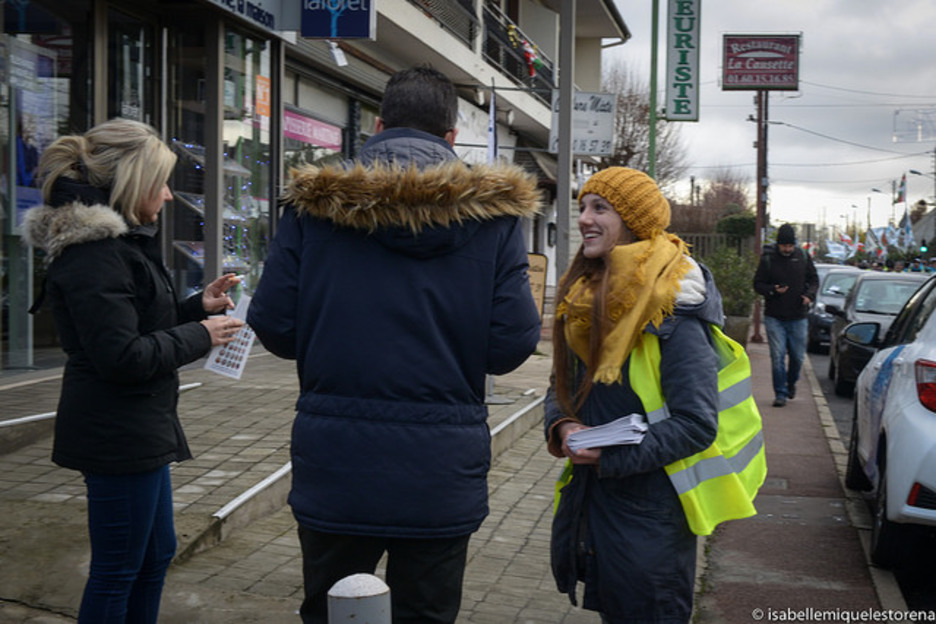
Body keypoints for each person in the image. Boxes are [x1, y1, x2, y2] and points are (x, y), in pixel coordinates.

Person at [246, 66, 541, 624]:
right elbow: (510, 346)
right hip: (439, 471)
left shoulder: (313, 207)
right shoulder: (496, 220)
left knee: (332, 612)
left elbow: (276, 327)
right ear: (452, 138)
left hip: (336, 463)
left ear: (378, 125)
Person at [22, 118, 244, 624]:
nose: (168, 196)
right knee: (119, 568)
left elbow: (140, 324)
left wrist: (196, 308)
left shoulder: (121, 244)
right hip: (116, 433)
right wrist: (201, 336)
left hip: (140, 427)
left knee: (154, 555)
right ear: (131, 183)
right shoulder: (94, 254)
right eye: (161, 183)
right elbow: (123, 357)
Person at [544, 167, 724, 623]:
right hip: (597, 508)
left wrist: (608, 456)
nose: (584, 218)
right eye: (583, 206)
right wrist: (563, 424)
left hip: (651, 521)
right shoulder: (588, 295)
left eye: (600, 208)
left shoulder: (676, 310)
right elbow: (561, 386)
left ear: (634, 222)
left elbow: (697, 423)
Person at [753, 223, 818, 407]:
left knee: (797, 356)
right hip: (774, 316)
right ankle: (780, 393)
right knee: (777, 356)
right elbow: (757, 284)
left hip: (798, 315)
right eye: (784, 246)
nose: (787, 249)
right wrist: (773, 290)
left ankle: (791, 383)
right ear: (778, 244)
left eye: (790, 246)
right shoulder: (768, 258)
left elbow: (814, 279)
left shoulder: (803, 256)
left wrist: (809, 296)